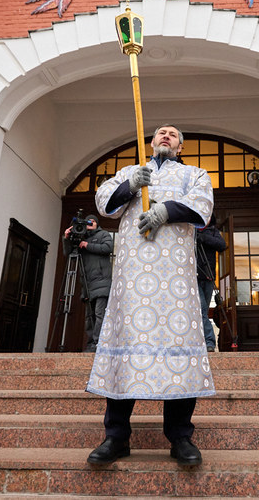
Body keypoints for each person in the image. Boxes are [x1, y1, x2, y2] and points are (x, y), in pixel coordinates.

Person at [86, 124, 214, 467]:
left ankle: (180, 436)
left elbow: (203, 206)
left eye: (173, 134)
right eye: (161, 133)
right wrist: (130, 185)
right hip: (133, 279)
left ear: (180, 147)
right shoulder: (130, 171)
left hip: (175, 280)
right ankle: (116, 437)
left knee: (178, 350)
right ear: (152, 141)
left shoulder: (194, 173)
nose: (166, 136)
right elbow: (104, 204)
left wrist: (166, 211)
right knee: (125, 348)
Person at [62, 214, 113, 352]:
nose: (90, 224)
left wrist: (87, 245)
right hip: (87, 283)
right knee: (89, 317)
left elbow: (108, 247)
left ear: (97, 224)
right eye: (88, 222)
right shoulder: (81, 238)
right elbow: (68, 253)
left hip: (102, 281)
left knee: (99, 314)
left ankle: (98, 344)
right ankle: (91, 344)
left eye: (92, 222)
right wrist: (66, 238)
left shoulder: (103, 234)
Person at [195, 218, 226, 352]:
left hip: (208, 276)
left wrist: (204, 238)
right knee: (201, 309)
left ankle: (201, 341)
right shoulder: (190, 230)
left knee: (204, 311)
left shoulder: (212, 231)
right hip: (194, 277)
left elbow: (222, 245)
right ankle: (209, 342)